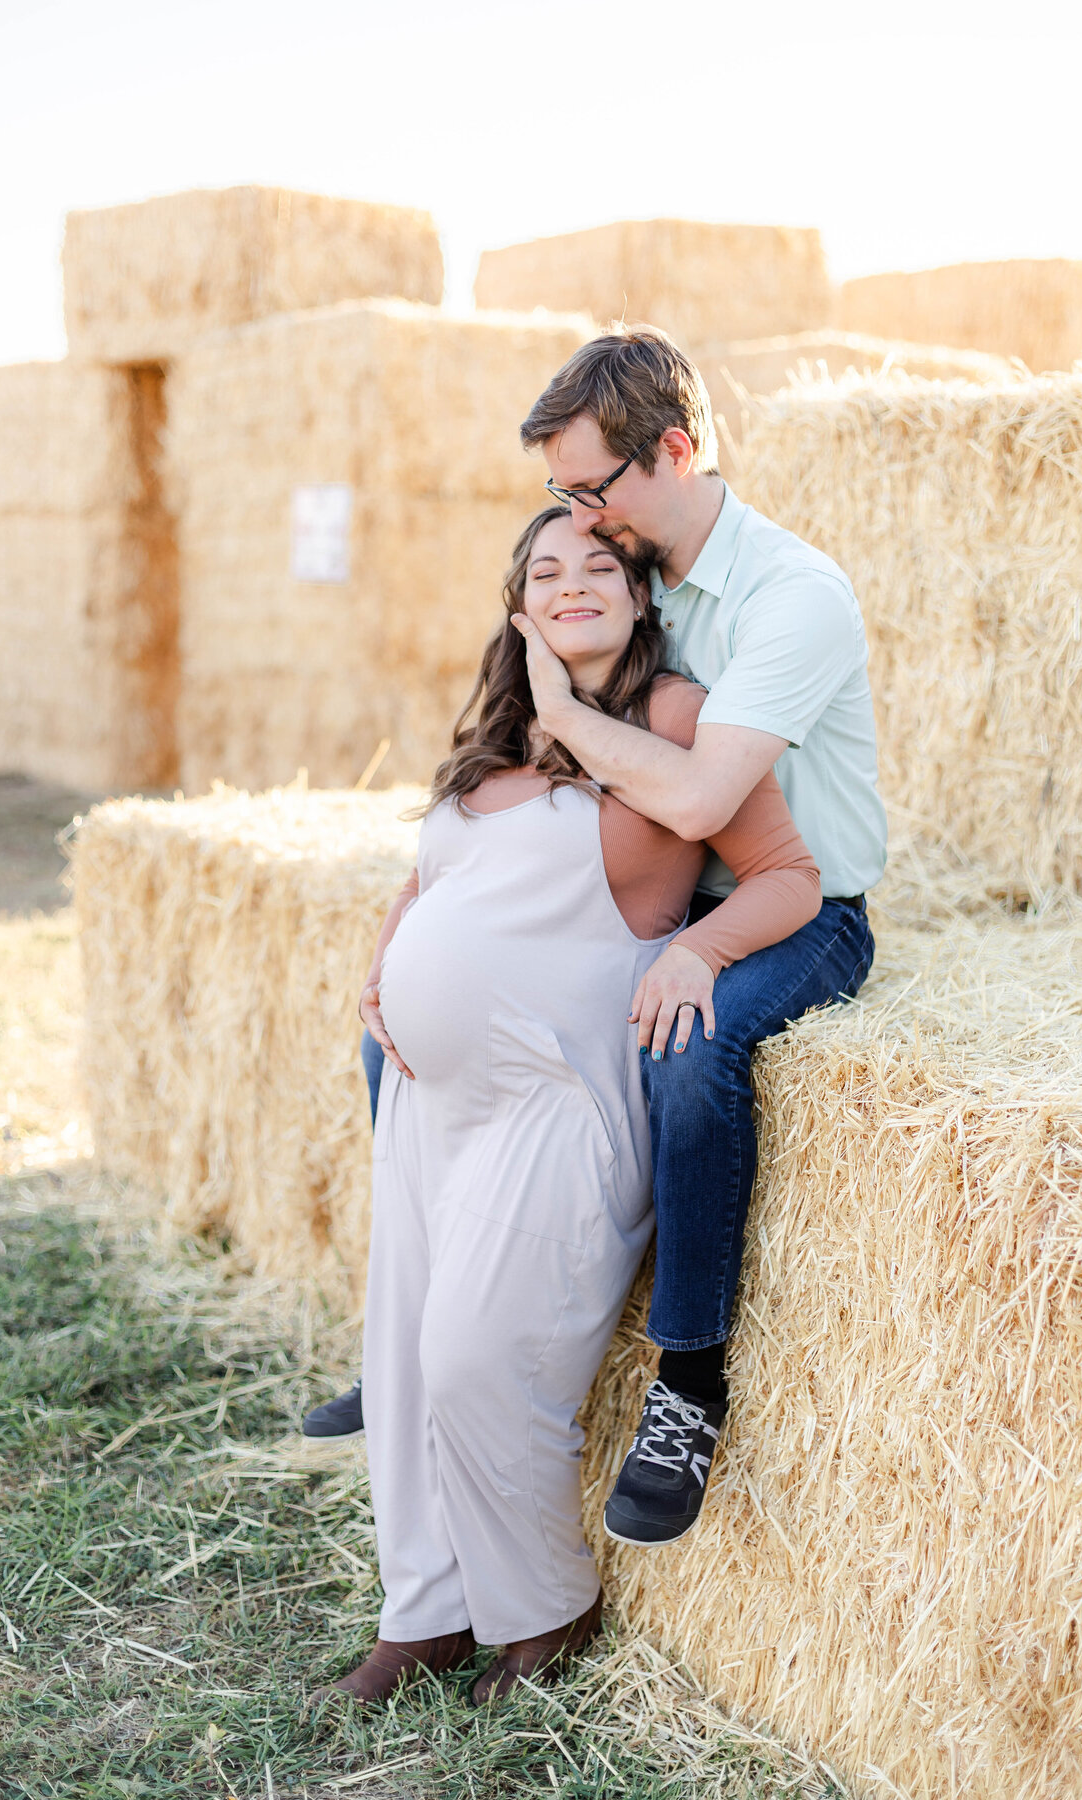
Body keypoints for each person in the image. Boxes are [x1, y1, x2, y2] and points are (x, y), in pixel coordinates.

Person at [305, 324, 886, 1554]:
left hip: (791, 907)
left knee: (688, 1057)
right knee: (394, 1050)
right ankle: (423, 1327)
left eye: (591, 489)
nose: (576, 521)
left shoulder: (793, 597)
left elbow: (697, 807)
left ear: (673, 451)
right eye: (560, 500)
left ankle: (687, 1381)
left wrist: (696, 943)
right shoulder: (632, 571)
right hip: (646, 899)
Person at [310, 506, 820, 1707]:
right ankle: (424, 1615)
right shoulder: (491, 738)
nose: (574, 581)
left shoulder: (678, 719)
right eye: (547, 569)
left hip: (559, 1101)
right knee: (405, 1355)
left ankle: (545, 1608)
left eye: (602, 565)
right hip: (437, 1102)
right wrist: (392, 956)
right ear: (520, 605)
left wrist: (700, 955)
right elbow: (433, 877)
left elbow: (789, 878)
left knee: (474, 1358)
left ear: (644, 599)